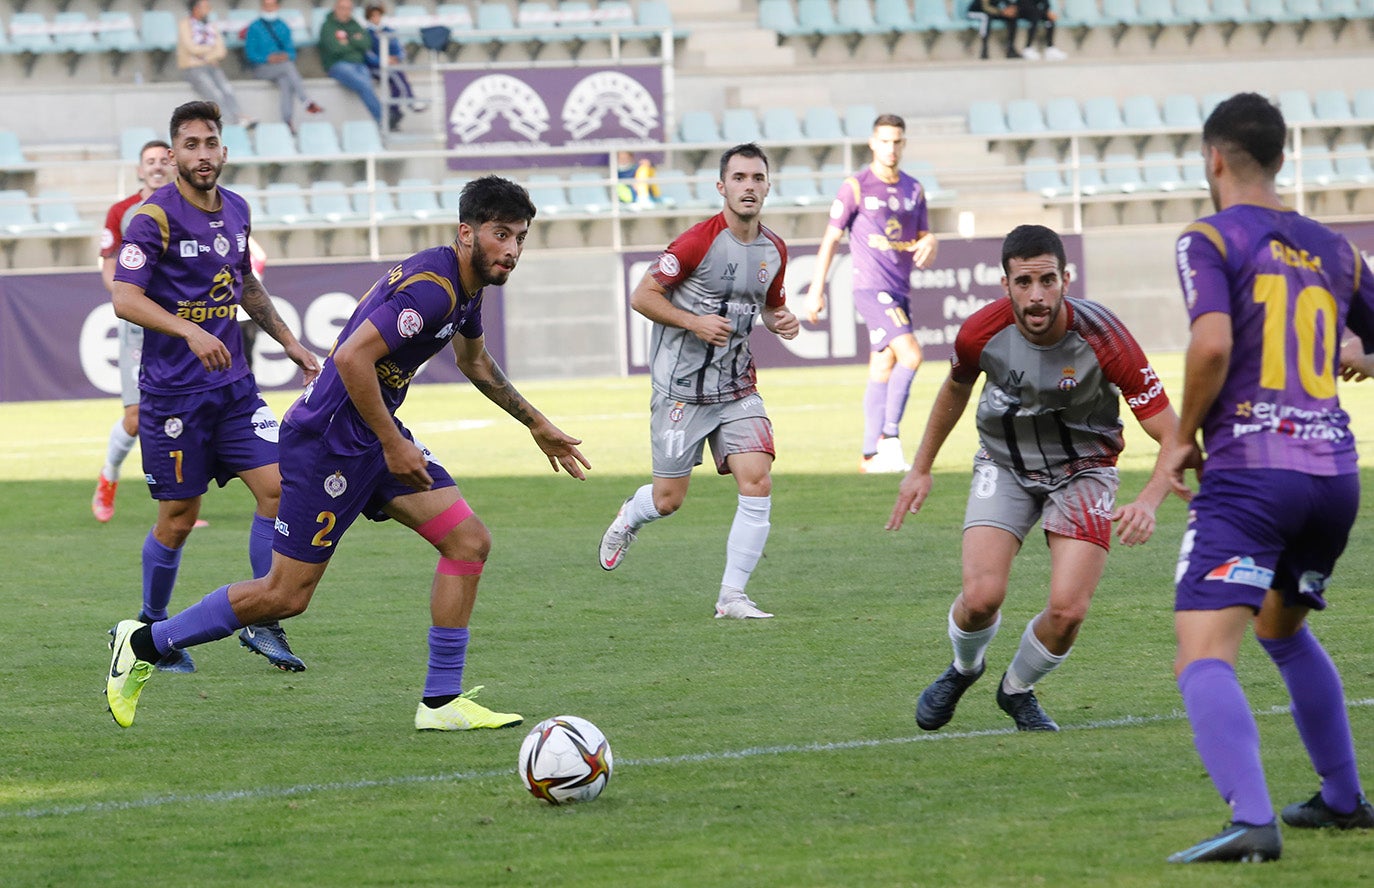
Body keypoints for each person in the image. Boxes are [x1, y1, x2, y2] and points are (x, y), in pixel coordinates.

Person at [106, 175, 591, 731]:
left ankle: (440, 702)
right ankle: (144, 642)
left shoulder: (467, 284)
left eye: (521, 238)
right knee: (284, 596)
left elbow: (474, 362)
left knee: (468, 541)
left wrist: (538, 424)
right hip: (331, 442)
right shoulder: (432, 288)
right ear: (467, 233)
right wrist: (392, 444)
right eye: (501, 234)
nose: (511, 249)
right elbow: (351, 359)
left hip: (372, 435)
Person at [1156, 92, 1374, 864]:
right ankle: (1345, 799)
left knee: (1201, 652)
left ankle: (1252, 821)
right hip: (1334, 478)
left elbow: (1211, 344)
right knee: (1281, 627)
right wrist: (1359, 355)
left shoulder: (1208, 238)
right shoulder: (1338, 249)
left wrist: (1180, 438)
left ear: (1213, 157)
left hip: (1253, 475)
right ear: (1281, 158)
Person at [886, 224, 1178, 732]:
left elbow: (1174, 436)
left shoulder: (1105, 337)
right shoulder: (979, 333)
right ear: (1006, 285)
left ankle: (1017, 689)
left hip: (1085, 470)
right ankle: (963, 669)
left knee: (1067, 612)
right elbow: (954, 390)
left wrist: (1150, 500)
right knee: (980, 599)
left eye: (1047, 280)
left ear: (1066, 278)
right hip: (1005, 464)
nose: (1037, 295)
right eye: (1024, 282)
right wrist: (921, 467)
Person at [109, 101, 321, 677]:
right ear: (174, 153)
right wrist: (188, 331)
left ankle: (261, 616)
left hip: (233, 390)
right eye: (191, 145)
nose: (203, 155)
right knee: (179, 516)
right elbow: (124, 297)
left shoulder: (238, 211)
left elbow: (245, 283)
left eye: (211, 144)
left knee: (280, 488)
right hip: (174, 396)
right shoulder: (152, 218)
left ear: (224, 150)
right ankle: (148, 627)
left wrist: (290, 342)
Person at [598, 143, 800, 619]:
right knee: (668, 500)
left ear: (767, 186)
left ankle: (732, 597)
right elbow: (642, 296)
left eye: (757, 178)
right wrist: (694, 322)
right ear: (722, 187)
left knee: (758, 481)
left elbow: (769, 305)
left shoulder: (775, 249)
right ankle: (630, 515)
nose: (748, 187)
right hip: (681, 391)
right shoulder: (696, 242)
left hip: (737, 389)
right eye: (739, 178)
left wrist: (780, 320)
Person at [806, 114, 937, 474]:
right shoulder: (857, 186)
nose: (891, 148)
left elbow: (923, 234)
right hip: (870, 287)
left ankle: (868, 455)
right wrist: (817, 289)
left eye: (897, 142)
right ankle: (889, 441)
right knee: (911, 355)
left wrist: (931, 240)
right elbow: (831, 238)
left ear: (903, 144)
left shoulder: (914, 189)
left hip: (900, 288)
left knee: (883, 363)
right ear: (872, 143)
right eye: (885, 141)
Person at [92, 140, 174, 525]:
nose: (157, 167)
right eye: (150, 162)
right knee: (137, 416)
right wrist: (128, 296)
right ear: (140, 170)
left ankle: (178, 501)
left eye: (163, 161)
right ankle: (108, 476)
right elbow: (109, 267)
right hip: (139, 326)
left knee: (182, 413)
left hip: (181, 323)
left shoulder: (187, 208)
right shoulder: (121, 212)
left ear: (173, 166)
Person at [244, 0, 324, 135]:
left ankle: (287, 122)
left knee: (286, 81)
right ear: (262, 7)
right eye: (266, 6)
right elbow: (250, 54)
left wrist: (284, 56)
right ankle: (306, 101)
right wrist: (267, 58)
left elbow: (291, 52)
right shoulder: (254, 27)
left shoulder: (283, 26)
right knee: (288, 68)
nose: (269, 9)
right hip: (262, 69)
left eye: (272, 6)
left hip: (282, 68)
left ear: (277, 7)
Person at [178, 0, 256, 129]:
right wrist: (211, 50)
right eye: (205, 6)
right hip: (193, 68)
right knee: (214, 93)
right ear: (196, 9)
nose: (209, 9)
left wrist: (205, 56)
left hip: (211, 65)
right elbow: (191, 48)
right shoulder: (185, 25)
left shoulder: (211, 25)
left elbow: (221, 49)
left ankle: (239, 117)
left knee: (227, 89)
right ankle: (231, 123)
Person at [319, 0, 389, 130]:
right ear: (336, 8)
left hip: (358, 64)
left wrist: (347, 41)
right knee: (364, 84)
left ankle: (383, 121)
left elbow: (366, 43)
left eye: (348, 9)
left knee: (367, 83)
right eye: (342, 8)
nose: (345, 12)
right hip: (337, 65)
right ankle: (384, 120)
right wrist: (354, 41)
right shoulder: (327, 26)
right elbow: (334, 48)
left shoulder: (354, 24)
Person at [363, 3, 421, 121]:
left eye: (378, 15)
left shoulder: (389, 31)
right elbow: (367, 55)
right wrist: (383, 60)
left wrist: (396, 58)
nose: (376, 18)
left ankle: (393, 112)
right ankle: (410, 101)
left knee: (397, 80)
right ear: (368, 17)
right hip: (374, 68)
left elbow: (400, 49)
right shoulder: (366, 34)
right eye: (373, 16)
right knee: (395, 75)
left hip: (391, 66)